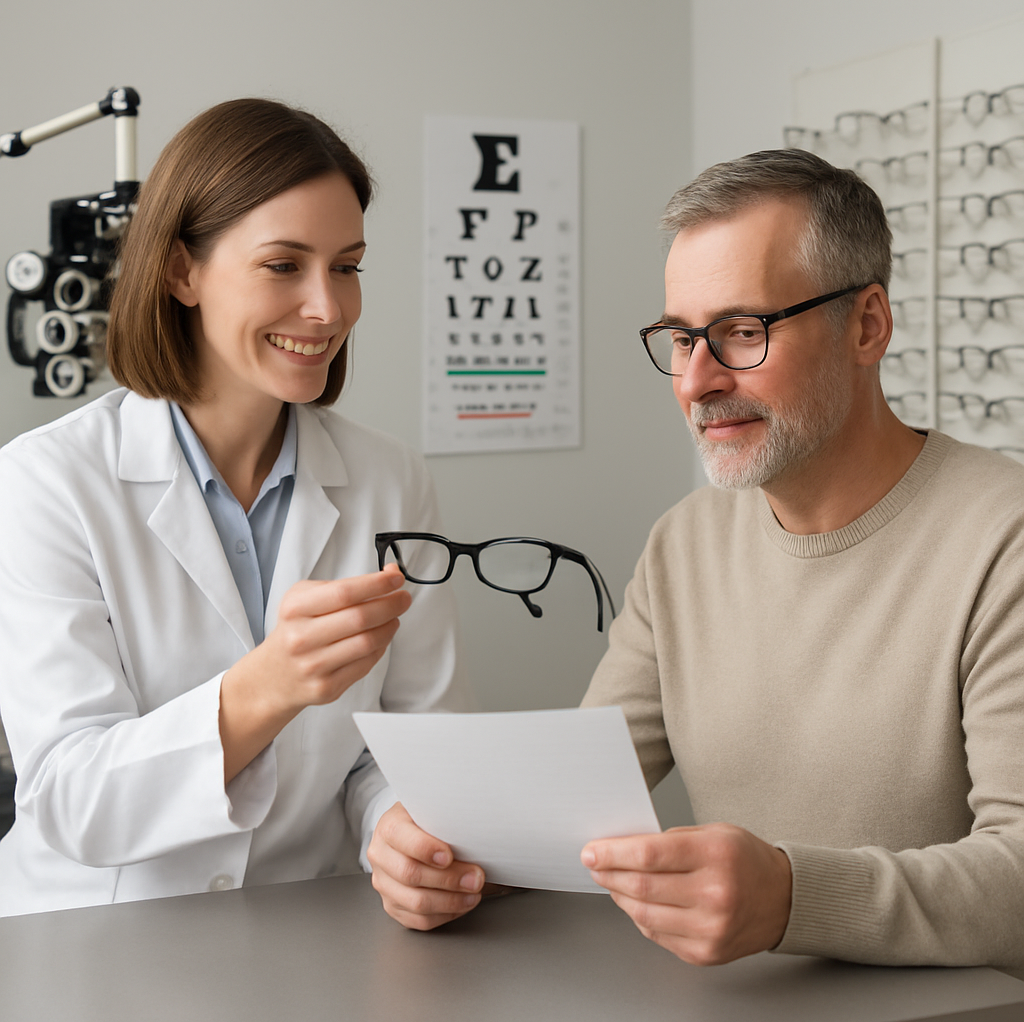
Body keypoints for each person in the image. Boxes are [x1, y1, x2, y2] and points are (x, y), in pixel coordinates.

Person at [368, 149, 1024, 974]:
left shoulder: (1005, 539)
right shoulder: (684, 544)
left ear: (868, 325)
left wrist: (791, 897)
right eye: (681, 339)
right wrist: (440, 855)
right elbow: (568, 805)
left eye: (743, 333)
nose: (697, 381)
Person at [0, 98, 467, 916]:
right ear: (183, 272)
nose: (328, 308)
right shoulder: (46, 483)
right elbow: (72, 797)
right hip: (90, 939)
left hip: (306, 929)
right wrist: (269, 684)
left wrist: (397, 828)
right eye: (284, 265)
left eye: (347, 265)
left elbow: (401, 750)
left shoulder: (394, 481)